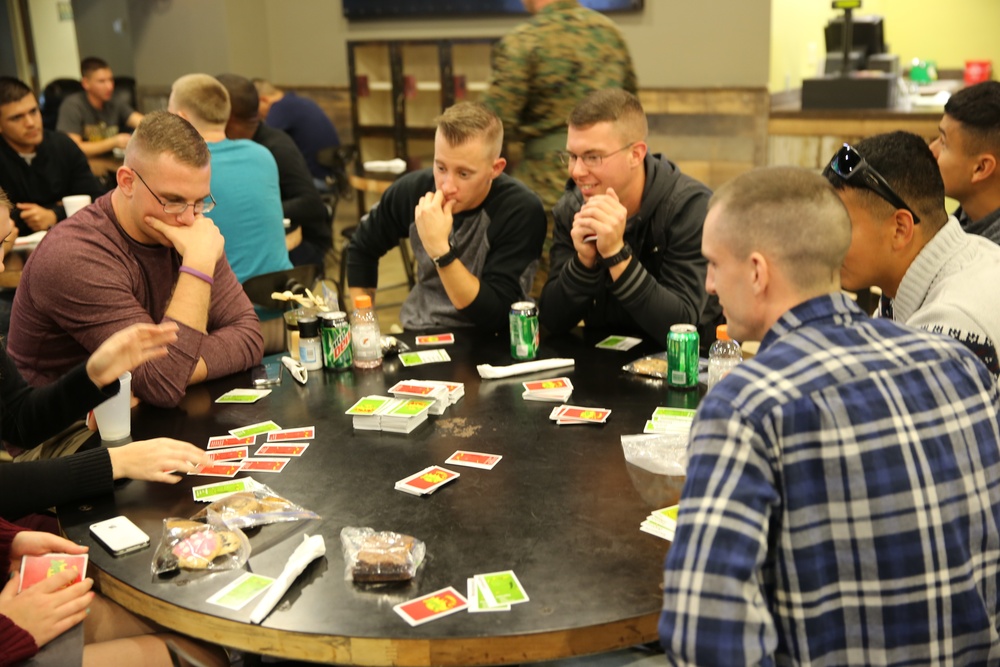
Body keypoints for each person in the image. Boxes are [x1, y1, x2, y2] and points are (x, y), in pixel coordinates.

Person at [660, 166, 1000, 665]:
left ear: (757, 272)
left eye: (712, 264)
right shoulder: (958, 364)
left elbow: (704, 639)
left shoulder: (745, 408)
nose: (708, 285)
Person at [7, 110, 263, 421]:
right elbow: (164, 382)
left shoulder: (192, 229)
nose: (188, 218)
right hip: (66, 437)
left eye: (200, 202)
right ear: (127, 182)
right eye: (173, 200)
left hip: (147, 410)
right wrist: (197, 266)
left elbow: (249, 335)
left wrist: (169, 374)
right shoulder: (74, 255)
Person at [538, 88, 718, 348]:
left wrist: (615, 254)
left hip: (684, 369)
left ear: (636, 154)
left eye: (592, 157)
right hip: (600, 367)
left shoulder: (689, 207)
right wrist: (583, 263)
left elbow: (681, 326)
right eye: (572, 156)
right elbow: (553, 321)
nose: (577, 171)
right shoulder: (573, 208)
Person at [346, 101, 545, 333]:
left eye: (463, 173)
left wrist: (440, 251)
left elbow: (496, 314)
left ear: (496, 168)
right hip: (422, 330)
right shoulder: (413, 191)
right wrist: (364, 324)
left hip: (493, 337)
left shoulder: (520, 210)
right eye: (440, 168)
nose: (447, 186)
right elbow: (362, 247)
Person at [481, 0, 637, 287]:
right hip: (610, 187)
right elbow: (629, 111)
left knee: (547, 289)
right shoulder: (610, 35)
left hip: (545, 192)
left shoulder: (523, 41)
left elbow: (492, 124)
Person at [824, 131, 1000, 376]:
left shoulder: (949, 329)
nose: (828, 241)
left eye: (841, 224)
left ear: (900, 229)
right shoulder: (917, 276)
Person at [166, 74, 291, 284]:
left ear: (182, 119)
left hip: (224, 304)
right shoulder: (263, 155)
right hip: (281, 294)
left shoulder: (184, 167)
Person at [216, 73, 331, 268]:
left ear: (228, 115)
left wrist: (259, 211)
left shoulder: (275, 147)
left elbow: (312, 205)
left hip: (304, 245)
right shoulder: (241, 145)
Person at [0, 77, 104, 236]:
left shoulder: (63, 145)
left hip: (71, 238)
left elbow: (95, 199)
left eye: (33, 111)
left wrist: (54, 214)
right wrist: (58, 207)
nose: (30, 122)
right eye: (16, 117)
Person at [930, 80, 1000, 244]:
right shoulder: (965, 219)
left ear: (980, 168)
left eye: (943, 142)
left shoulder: (991, 263)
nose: (931, 150)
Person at [254, 79, 341, 190]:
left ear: (263, 100)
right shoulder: (301, 102)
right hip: (333, 178)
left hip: (316, 182)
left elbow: (260, 145)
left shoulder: (279, 108)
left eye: (256, 110)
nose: (259, 116)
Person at [56, 57, 143, 158]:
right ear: (86, 83)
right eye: (102, 81)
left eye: (111, 80)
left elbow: (143, 122)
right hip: (83, 166)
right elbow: (73, 148)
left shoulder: (114, 102)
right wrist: (113, 142)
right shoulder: (72, 106)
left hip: (110, 163)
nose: (110, 86)